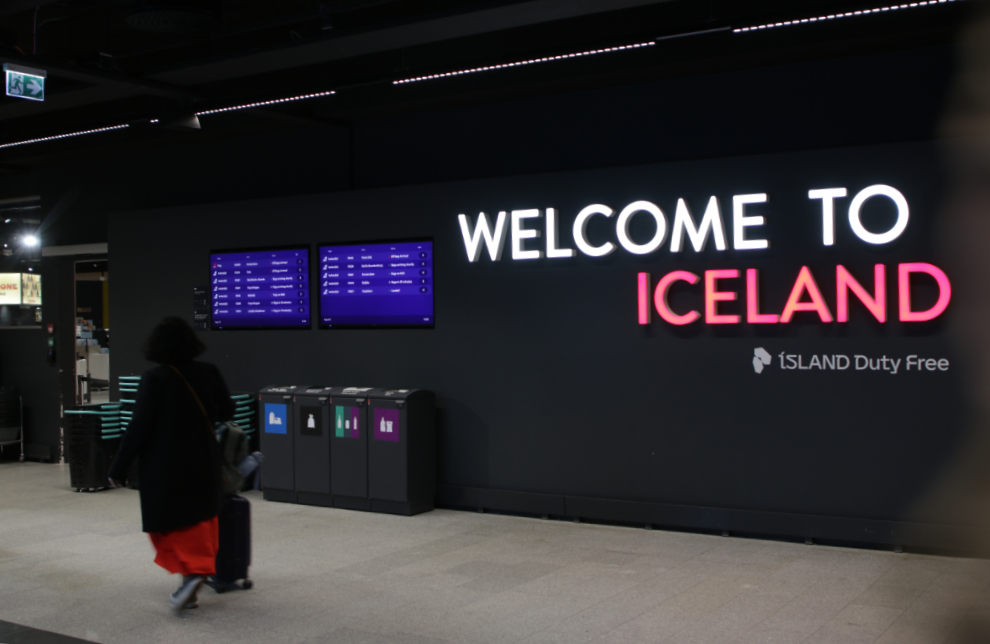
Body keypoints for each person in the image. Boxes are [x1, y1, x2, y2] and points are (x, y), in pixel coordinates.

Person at [108, 317, 234, 613]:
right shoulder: (208, 371)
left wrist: (118, 466)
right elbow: (226, 410)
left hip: (165, 463)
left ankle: (191, 575)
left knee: (168, 522)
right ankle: (191, 579)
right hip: (204, 459)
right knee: (200, 518)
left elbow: (139, 426)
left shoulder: (155, 378)